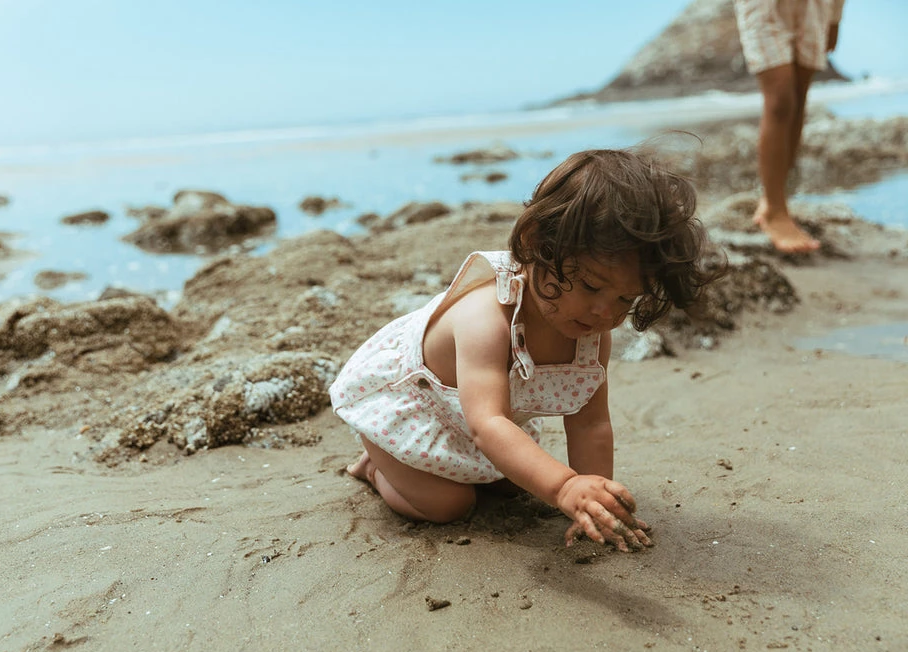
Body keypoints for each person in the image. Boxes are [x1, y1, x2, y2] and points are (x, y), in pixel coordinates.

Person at [329, 147, 723, 552]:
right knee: (449, 504)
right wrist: (566, 486)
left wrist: (592, 502)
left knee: (508, 486)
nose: (605, 311)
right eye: (590, 286)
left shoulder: (590, 328)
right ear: (537, 243)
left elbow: (590, 424)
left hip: (477, 421)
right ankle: (376, 469)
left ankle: (451, 470)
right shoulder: (485, 319)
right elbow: (489, 425)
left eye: (626, 299)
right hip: (409, 412)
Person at [733, 0, 846, 253]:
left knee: (797, 99)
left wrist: (836, 17)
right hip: (766, 6)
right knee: (781, 101)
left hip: (816, 6)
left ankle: (776, 198)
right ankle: (774, 210)